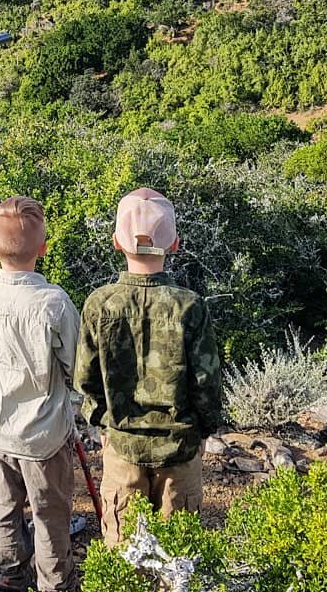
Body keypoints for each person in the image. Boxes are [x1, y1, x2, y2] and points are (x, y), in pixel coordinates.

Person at [74, 188, 221, 547]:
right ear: (174, 245)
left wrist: (101, 422)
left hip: (122, 445)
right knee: (177, 560)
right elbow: (207, 381)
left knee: (125, 557)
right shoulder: (189, 305)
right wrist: (206, 430)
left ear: (115, 242)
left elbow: (86, 378)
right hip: (180, 449)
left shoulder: (100, 304)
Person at [0, 196, 81, 592]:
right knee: (50, 511)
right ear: (44, 249)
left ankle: (9, 576)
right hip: (46, 434)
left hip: (0, 429)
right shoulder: (53, 302)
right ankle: (55, 589)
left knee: (4, 505)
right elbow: (74, 365)